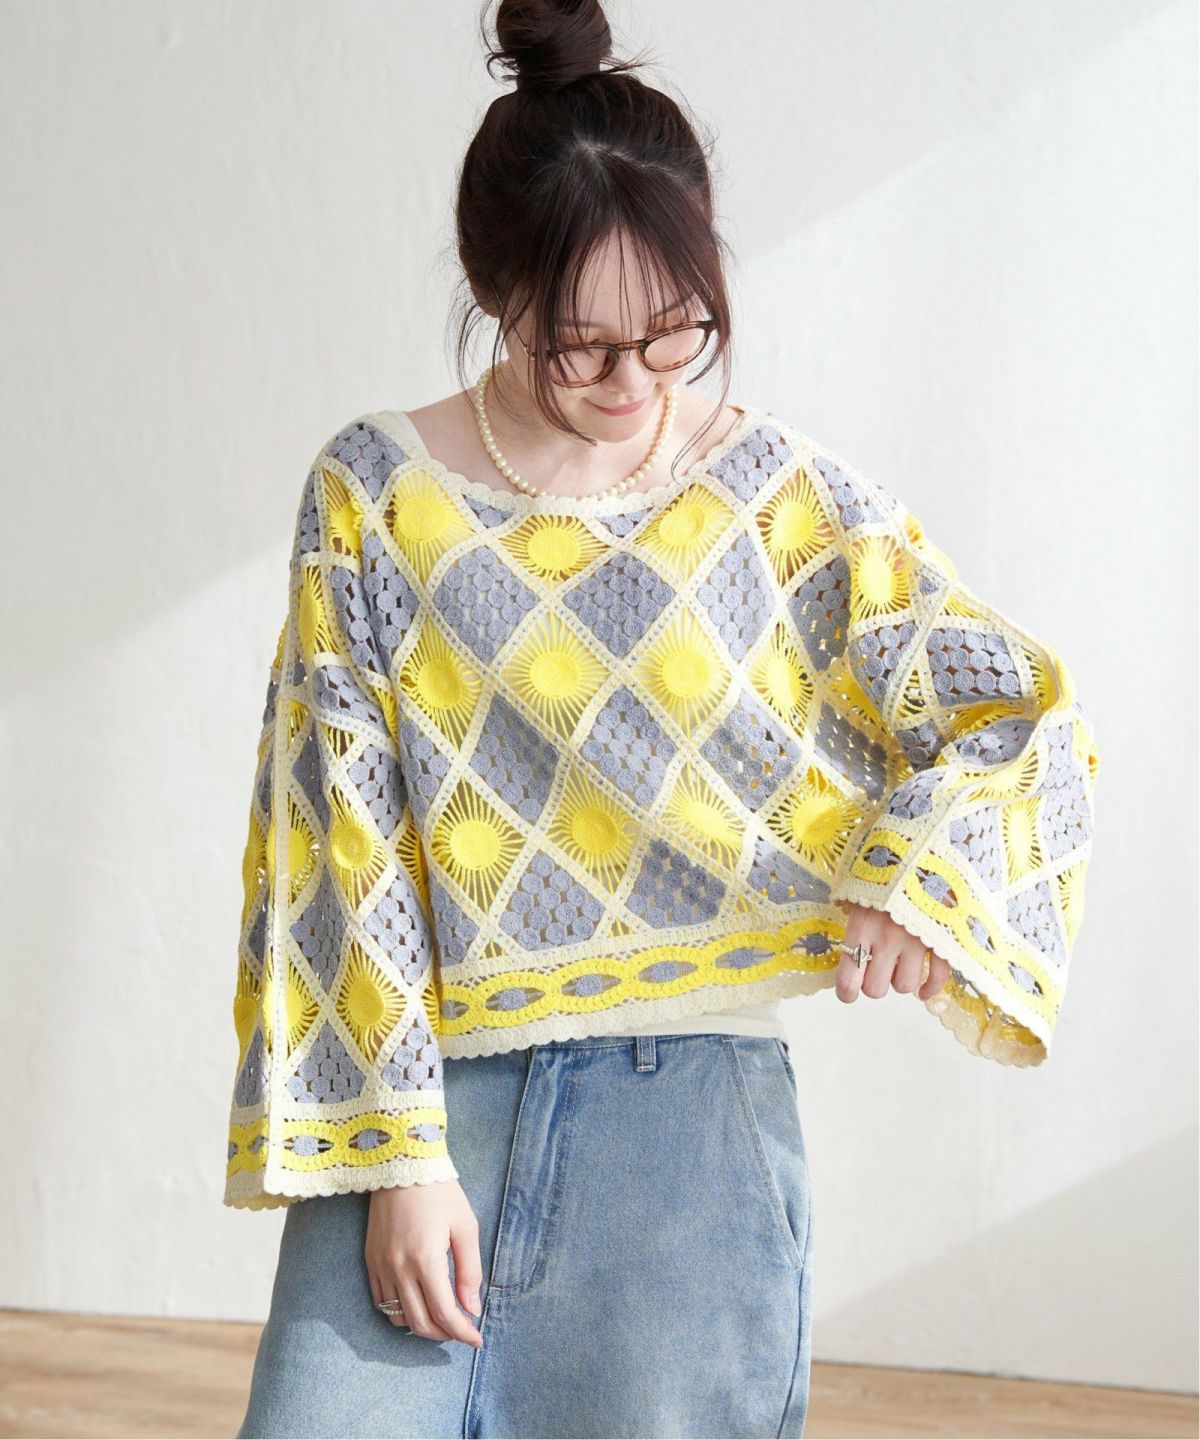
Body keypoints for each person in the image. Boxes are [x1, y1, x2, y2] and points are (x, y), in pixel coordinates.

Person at [224, 2, 1100, 1436]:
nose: (635, 384)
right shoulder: (373, 495)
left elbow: (1016, 712)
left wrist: (918, 878)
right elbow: (340, 840)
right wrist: (404, 1163)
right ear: (494, 288)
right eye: (582, 347)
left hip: (691, 1127)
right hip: (428, 1107)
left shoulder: (779, 497)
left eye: (676, 331)